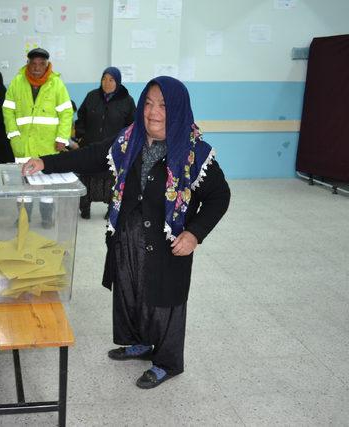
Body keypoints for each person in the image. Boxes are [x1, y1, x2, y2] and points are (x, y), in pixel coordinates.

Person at [22, 76, 231, 389]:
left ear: (178, 109)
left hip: (167, 243)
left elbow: (220, 197)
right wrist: (44, 162)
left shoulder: (194, 153)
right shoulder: (128, 141)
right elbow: (89, 156)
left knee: (163, 302)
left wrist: (194, 234)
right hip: (128, 237)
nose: (153, 111)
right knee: (131, 293)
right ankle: (142, 343)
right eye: (148, 103)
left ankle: (167, 362)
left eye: (162, 105)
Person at [75, 67, 136, 219]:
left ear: (118, 82)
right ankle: (85, 208)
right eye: (104, 79)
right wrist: (81, 136)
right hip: (90, 146)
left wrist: (126, 143)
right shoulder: (92, 96)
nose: (106, 83)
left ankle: (110, 210)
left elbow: (132, 125)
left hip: (113, 149)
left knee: (111, 181)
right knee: (86, 179)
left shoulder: (127, 101)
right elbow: (81, 117)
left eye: (111, 80)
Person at [2, 47, 74, 157]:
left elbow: (66, 112)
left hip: (49, 146)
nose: (37, 68)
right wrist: (14, 134)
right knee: (24, 173)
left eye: (41, 64)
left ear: (47, 65)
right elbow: (8, 110)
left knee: (48, 173)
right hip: (23, 145)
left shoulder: (56, 84)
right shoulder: (17, 82)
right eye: (33, 63)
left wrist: (62, 137)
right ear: (27, 64)